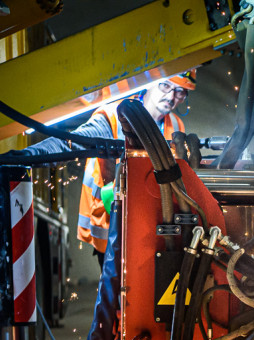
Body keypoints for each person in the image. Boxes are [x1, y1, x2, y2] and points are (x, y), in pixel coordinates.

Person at [16, 70, 196, 265]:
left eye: (180, 91)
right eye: (165, 86)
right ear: (149, 83)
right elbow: (70, 144)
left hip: (150, 228)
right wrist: (25, 157)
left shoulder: (177, 125)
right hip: (110, 226)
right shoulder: (114, 116)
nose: (170, 97)